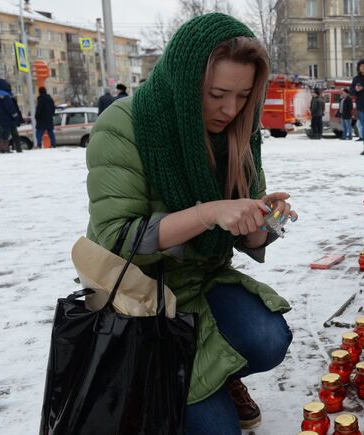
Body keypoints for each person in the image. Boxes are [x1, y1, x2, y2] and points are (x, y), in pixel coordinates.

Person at [85, 14, 295, 433]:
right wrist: (208, 213)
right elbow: (115, 239)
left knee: (270, 338)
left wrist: (261, 222)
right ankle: (156, 385)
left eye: (243, 95)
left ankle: (217, 375)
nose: (230, 109)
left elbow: (245, 231)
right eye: (217, 94)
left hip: (201, 282)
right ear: (186, 81)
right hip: (137, 297)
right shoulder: (125, 125)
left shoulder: (239, 130)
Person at [0, 79, 21, 154]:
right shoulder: (5, 95)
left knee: (2, 133)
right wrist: (15, 116)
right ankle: (4, 149)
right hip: (7, 118)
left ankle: (1, 149)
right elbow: (9, 108)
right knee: (6, 134)